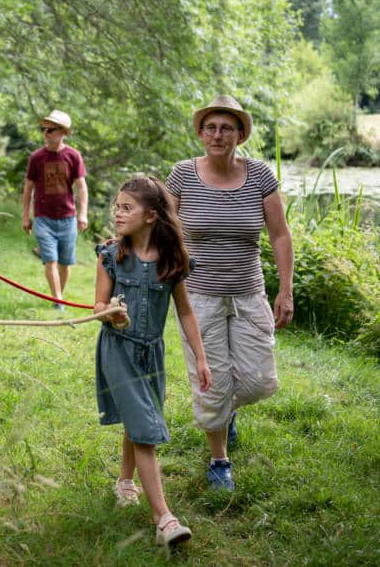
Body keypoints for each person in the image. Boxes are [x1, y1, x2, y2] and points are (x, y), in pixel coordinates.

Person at [165, 94, 295, 492]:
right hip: (198, 296)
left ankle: (227, 411)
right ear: (201, 133)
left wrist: (285, 290)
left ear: (240, 134)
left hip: (248, 293)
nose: (218, 135)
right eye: (210, 128)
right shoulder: (182, 175)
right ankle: (219, 460)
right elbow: (163, 230)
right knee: (211, 380)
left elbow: (280, 235)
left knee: (258, 381)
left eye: (226, 128)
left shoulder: (259, 175)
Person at [94, 176, 211, 548]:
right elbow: (98, 306)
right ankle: (165, 519)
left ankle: (125, 481)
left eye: (126, 207)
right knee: (145, 427)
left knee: (138, 418)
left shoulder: (173, 261)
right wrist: (110, 313)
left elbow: (187, 313)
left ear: (151, 216)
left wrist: (201, 357)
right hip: (118, 350)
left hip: (151, 354)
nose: (117, 213)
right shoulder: (111, 256)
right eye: (116, 206)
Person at [21, 110, 89, 310]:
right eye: (44, 129)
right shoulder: (36, 158)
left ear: (63, 132)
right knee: (50, 260)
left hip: (68, 218)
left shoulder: (73, 156)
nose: (46, 133)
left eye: (51, 129)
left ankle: (58, 298)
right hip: (43, 218)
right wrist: (26, 215)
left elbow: (82, 187)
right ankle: (58, 301)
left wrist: (83, 214)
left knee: (65, 263)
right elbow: (28, 189)